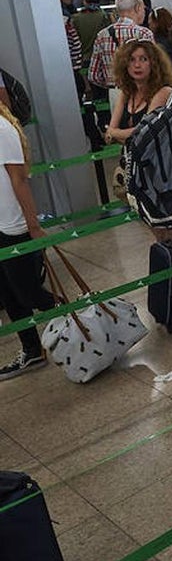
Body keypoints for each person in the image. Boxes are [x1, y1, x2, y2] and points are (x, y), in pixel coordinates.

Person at [0, 102, 57, 381]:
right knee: (8, 295)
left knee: (29, 293)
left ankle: (80, 319)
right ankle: (31, 349)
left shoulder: (2, 128)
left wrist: (33, 226)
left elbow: (19, 180)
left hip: (14, 226)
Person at [103, 40, 172, 145]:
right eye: (131, 60)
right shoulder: (126, 92)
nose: (137, 65)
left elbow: (145, 132)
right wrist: (116, 134)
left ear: (154, 63)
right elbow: (108, 137)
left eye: (143, 59)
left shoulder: (164, 92)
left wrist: (114, 133)